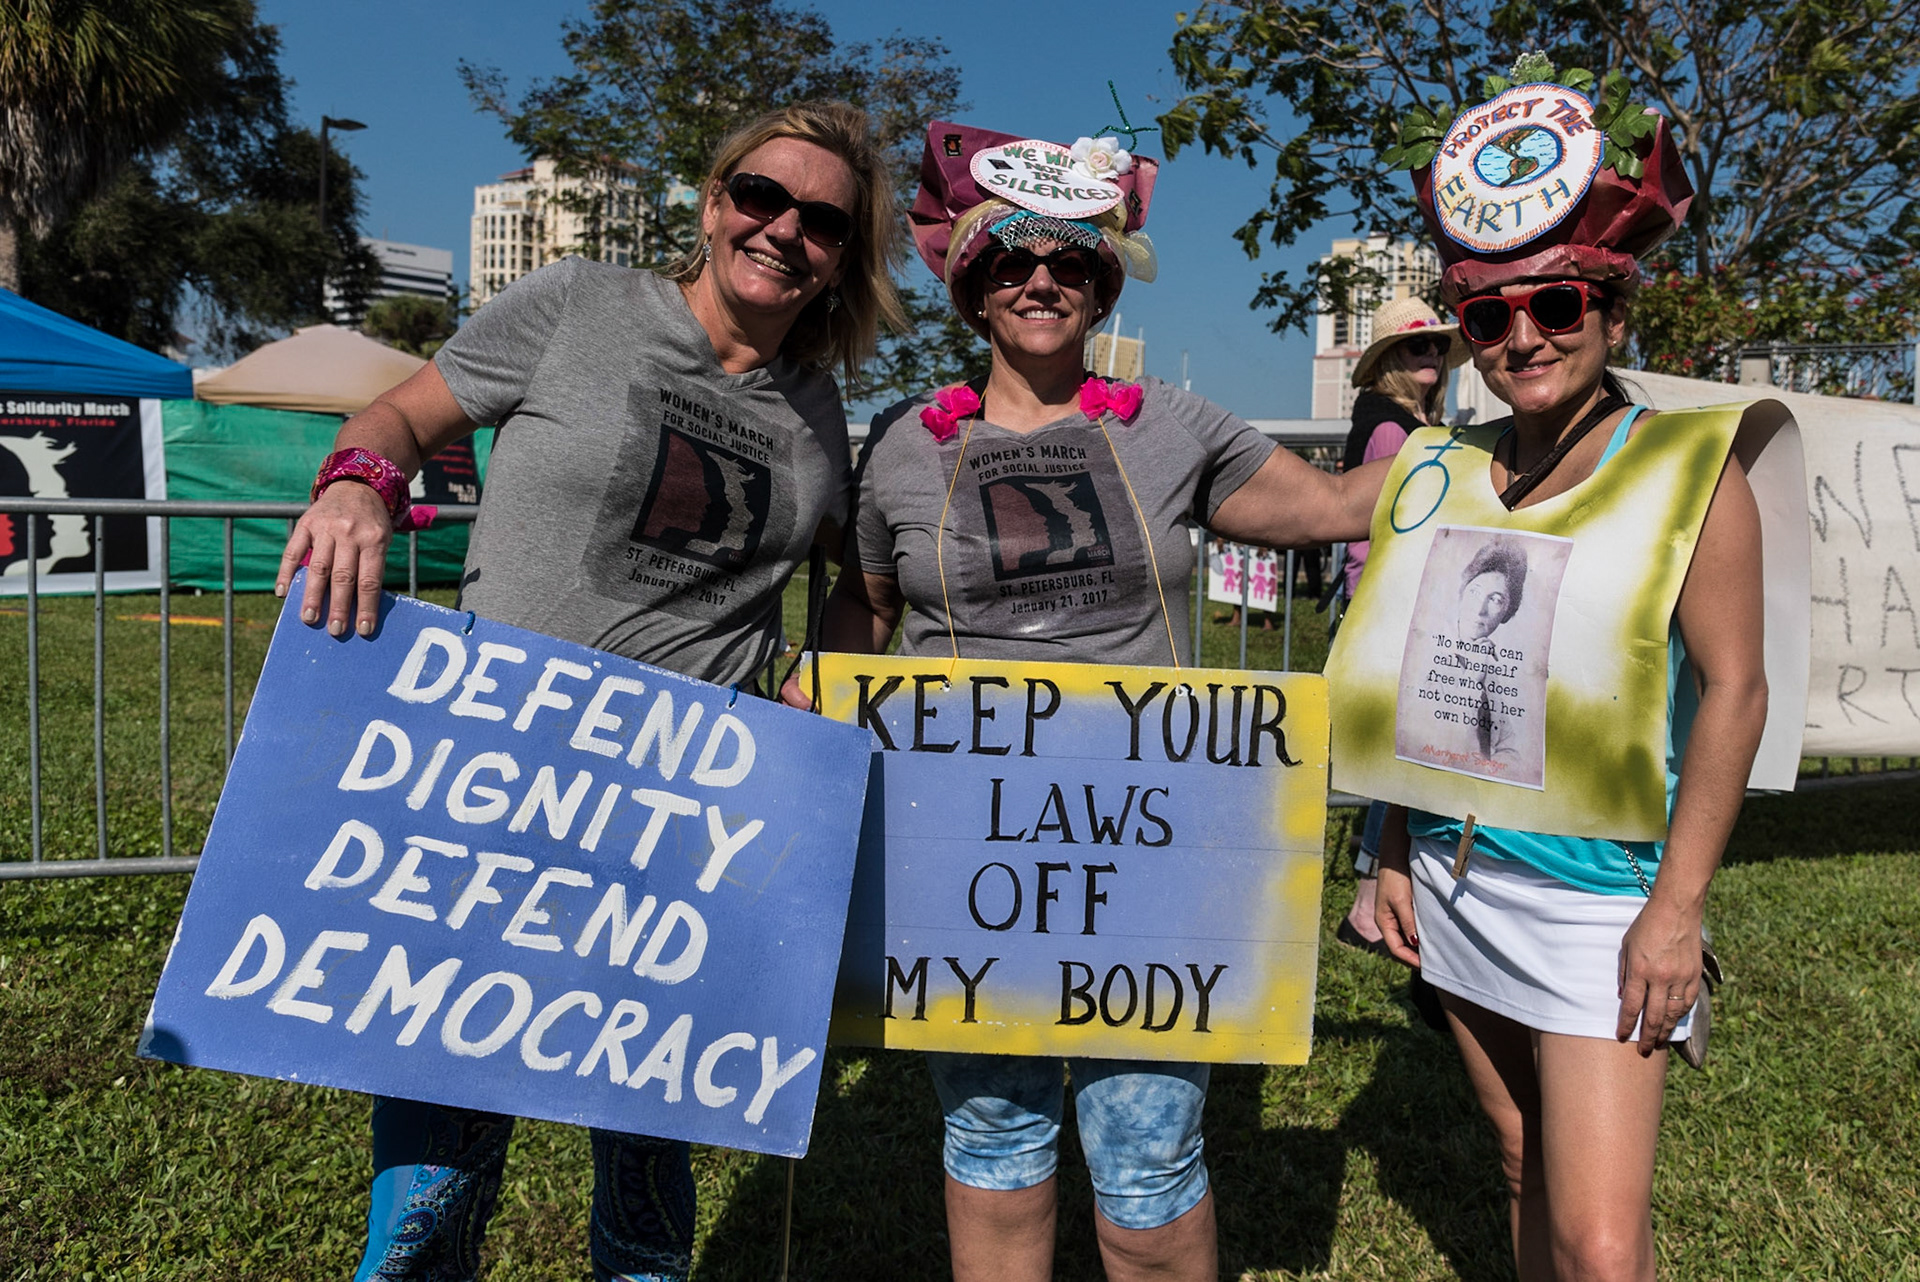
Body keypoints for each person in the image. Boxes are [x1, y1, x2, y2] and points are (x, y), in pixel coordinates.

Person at [273, 100, 905, 1282]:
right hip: (494, 788)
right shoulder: (582, 304)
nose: (783, 230)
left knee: (648, 1196)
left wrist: (825, 690)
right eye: (761, 197)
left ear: (841, 259)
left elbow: (855, 582)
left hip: (682, 820)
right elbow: (407, 413)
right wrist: (359, 484)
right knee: (430, 1196)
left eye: (821, 220)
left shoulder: (819, 414)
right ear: (716, 203)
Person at [802, 119, 1390, 1282]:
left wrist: (1513, 453)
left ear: (1102, 284)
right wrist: (814, 706)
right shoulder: (904, 452)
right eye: (1013, 262)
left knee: (1149, 1151)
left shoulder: (1176, 427)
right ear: (974, 286)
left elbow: (1334, 506)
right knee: (993, 1135)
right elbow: (863, 609)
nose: (1041, 282)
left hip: (1149, 853)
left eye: (1070, 263)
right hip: (962, 856)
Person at [1325, 61, 1792, 1281]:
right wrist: (1386, 852)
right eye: (1491, 316)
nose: (1525, 335)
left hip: (1606, 895)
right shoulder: (1448, 469)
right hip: (1459, 867)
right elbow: (1425, 677)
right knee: (1520, 1155)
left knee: (1598, 1238)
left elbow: (1736, 692)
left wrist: (1676, 911)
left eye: (1561, 304)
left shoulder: (1698, 471)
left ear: (1615, 312)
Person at [1334, 297, 1466, 956]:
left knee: (1406, 755)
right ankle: (1367, 902)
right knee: (1405, 758)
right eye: (1418, 348)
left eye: (1438, 348)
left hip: (1410, 610)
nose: (1432, 358)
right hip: (1397, 613)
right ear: (1390, 361)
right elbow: (1376, 538)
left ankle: (1372, 900)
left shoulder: (1413, 424)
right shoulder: (1393, 432)